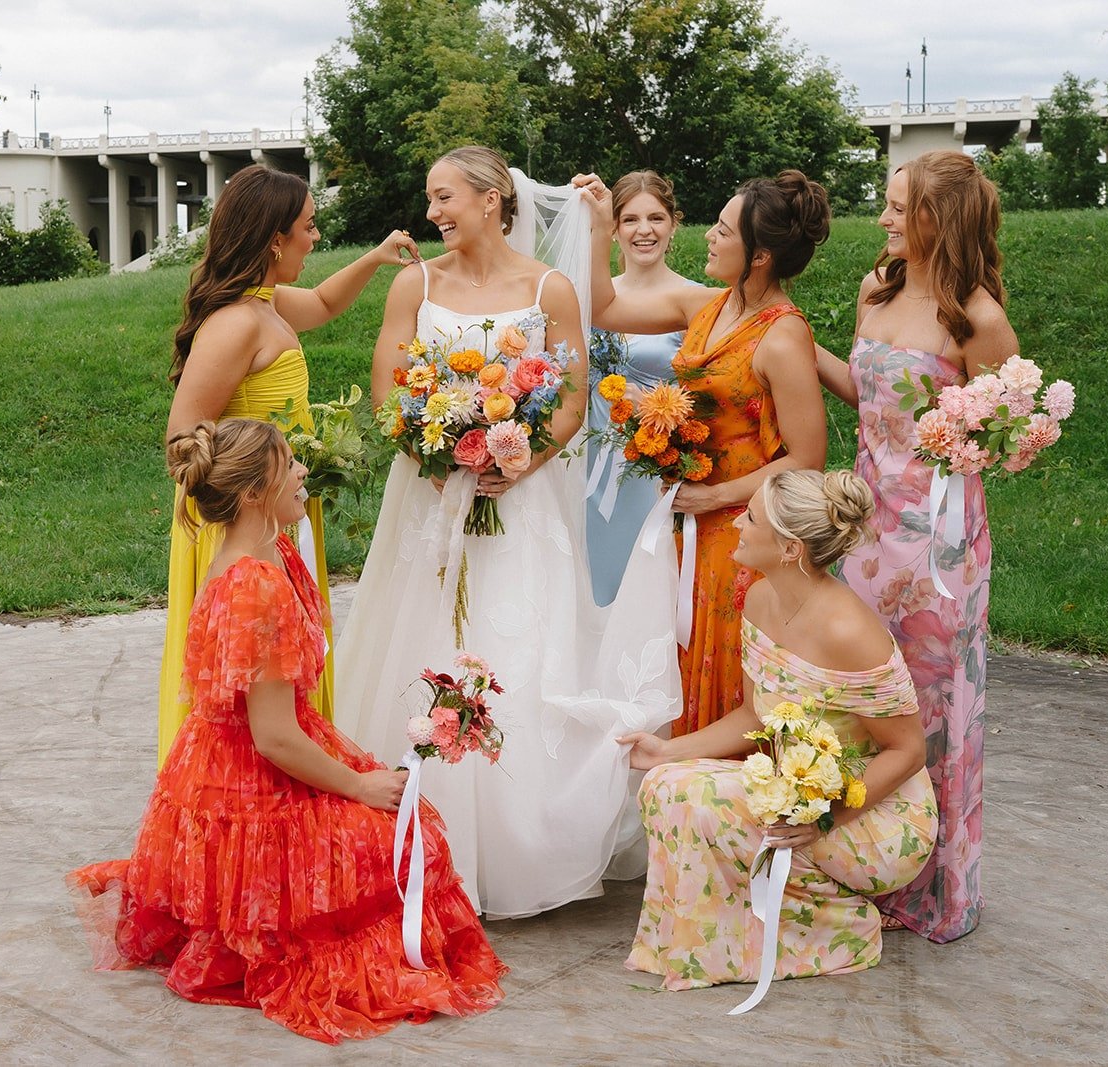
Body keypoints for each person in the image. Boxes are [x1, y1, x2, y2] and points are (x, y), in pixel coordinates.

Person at [69, 419, 506, 1045]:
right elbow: (272, 737)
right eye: (290, 464)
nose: (304, 472)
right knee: (404, 841)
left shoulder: (271, 551)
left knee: (399, 832)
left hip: (243, 753)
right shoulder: (254, 585)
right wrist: (357, 785)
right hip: (251, 774)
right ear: (254, 493)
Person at [335, 146, 681, 918]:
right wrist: (431, 453)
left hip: (522, 503)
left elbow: (571, 396)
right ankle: (420, 835)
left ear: (492, 199)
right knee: (421, 637)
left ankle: (519, 845)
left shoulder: (549, 287)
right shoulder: (415, 284)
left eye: (445, 197)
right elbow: (390, 387)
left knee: (519, 644)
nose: (433, 213)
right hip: (430, 498)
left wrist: (519, 461)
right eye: (431, 199)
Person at [618, 469, 936, 989]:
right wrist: (666, 751)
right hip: (796, 793)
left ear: (790, 549)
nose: (737, 524)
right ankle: (715, 947)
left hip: (873, 815)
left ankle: (842, 923)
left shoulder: (848, 632)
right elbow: (755, 716)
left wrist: (826, 818)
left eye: (751, 518)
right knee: (663, 784)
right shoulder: (762, 598)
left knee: (695, 798)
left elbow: (907, 751)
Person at [814, 150, 1019, 943]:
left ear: (939, 218)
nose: (885, 219)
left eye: (900, 208)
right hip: (866, 532)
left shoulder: (978, 319)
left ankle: (931, 886)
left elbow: (1002, 436)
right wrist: (789, 338)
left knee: (932, 706)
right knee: (864, 697)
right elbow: (864, 396)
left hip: (939, 543)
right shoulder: (877, 288)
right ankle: (855, 863)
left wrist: (980, 441)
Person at [157, 165, 419, 766]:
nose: (317, 237)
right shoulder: (236, 323)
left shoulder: (267, 304)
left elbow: (324, 303)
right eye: (309, 225)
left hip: (278, 503)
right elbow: (182, 437)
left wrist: (376, 258)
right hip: (243, 515)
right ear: (276, 239)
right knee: (251, 674)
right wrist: (263, 480)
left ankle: (292, 773)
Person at [576, 169, 830, 734]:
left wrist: (714, 496)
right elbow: (602, 307)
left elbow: (807, 459)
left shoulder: (782, 335)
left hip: (740, 523)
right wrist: (597, 226)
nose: (709, 237)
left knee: (729, 659)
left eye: (723, 230)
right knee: (684, 651)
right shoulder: (709, 308)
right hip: (689, 516)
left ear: (759, 256)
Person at [584, 170, 701, 606]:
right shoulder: (593, 296)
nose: (644, 230)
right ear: (614, 229)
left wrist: (655, 405)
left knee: (646, 586)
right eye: (630, 219)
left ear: (673, 225)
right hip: (587, 458)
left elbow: (710, 396)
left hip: (652, 463)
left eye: (655, 218)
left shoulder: (696, 299)